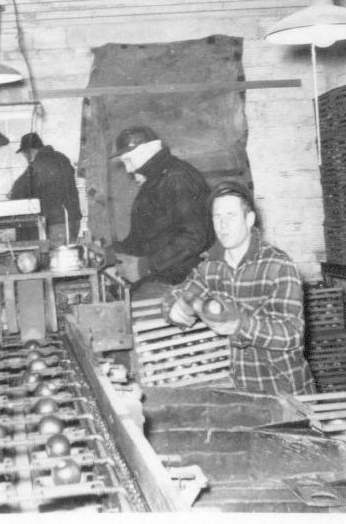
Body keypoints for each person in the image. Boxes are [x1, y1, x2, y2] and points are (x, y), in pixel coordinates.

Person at [162, 180, 315, 395]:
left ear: (249, 219)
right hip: (242, 387)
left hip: (285, 389)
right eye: (217, 217)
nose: (223, 225)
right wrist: (175, 306)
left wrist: (240, 325)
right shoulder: (211, 266)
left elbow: (292, 334)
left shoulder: (277, 265)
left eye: (231, 216)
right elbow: (180, 293)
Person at [107, 125, 213, 296]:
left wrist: (145, 267)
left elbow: (195, 236)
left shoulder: (177, 178)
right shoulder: (155, 181)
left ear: (148, 149)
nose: (128, 169)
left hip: (181, 278)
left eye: (128, 160)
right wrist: (109, 252)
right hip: (160, 272)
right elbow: (143, 238)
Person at [9, 132, 82, 244]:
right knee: (68, 256)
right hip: (73, 219)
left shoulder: (38, 163)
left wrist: (12, 194)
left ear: (29, 152)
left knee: (57, 257)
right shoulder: (61, 157)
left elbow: (17, 191)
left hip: (57, 222)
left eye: (24, 154)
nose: (26, 158)